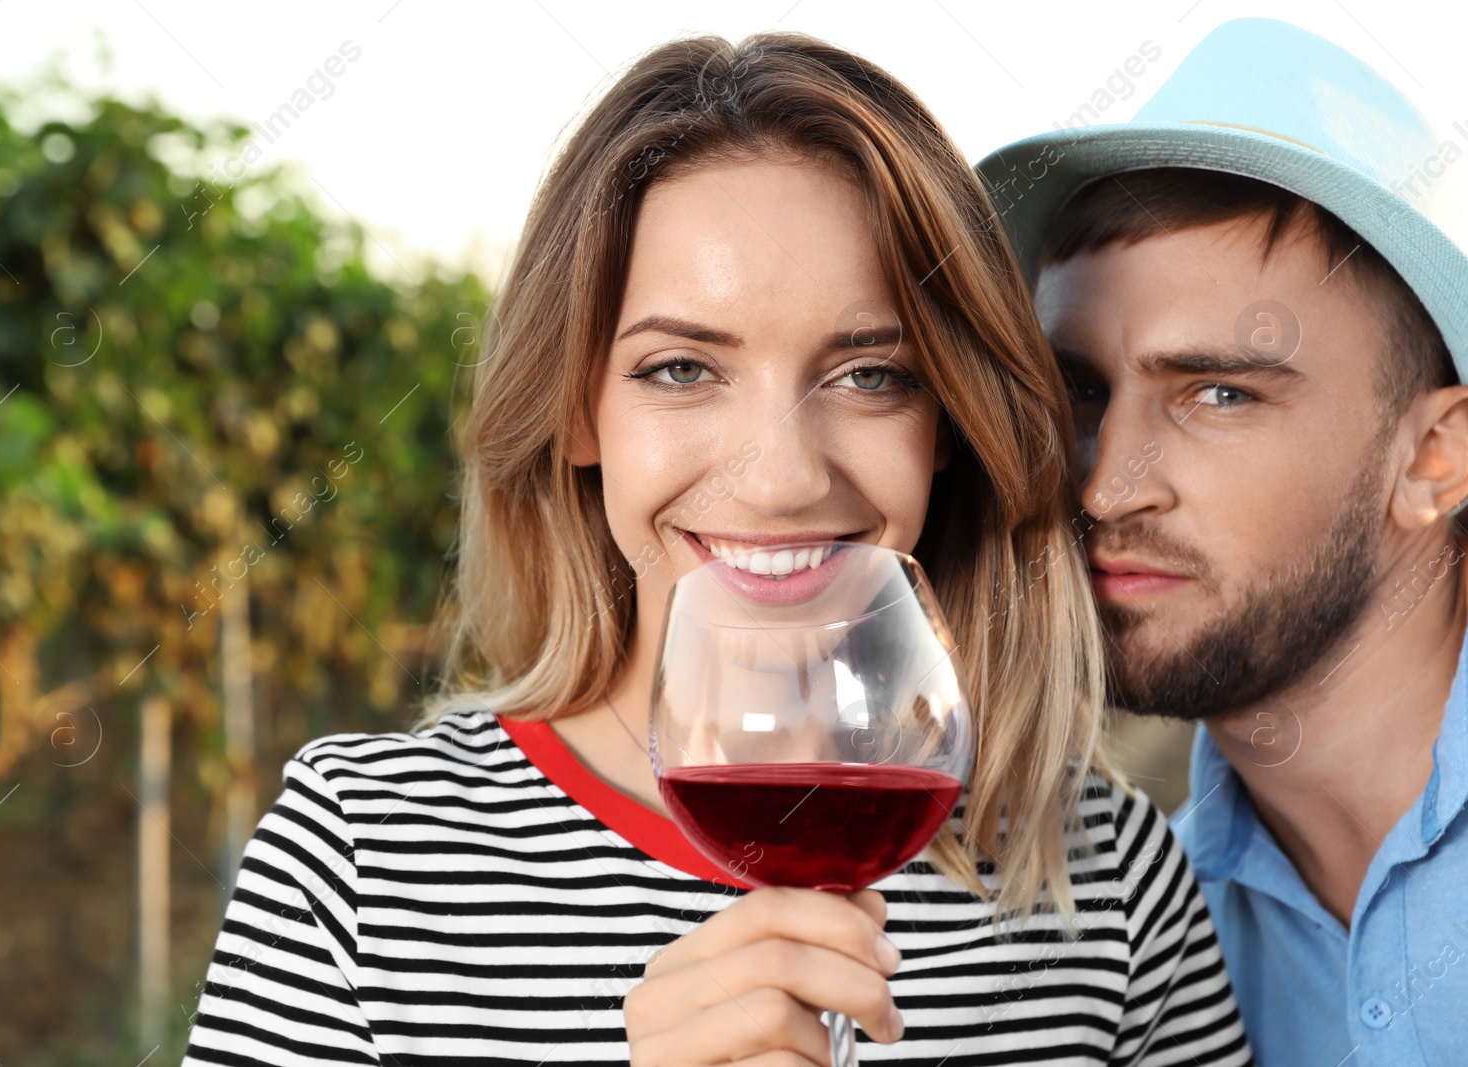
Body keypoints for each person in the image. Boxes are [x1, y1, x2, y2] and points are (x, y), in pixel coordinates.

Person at [180, 32, 1250, 1066]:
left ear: (948, 428)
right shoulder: (362, 859)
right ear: (577, 410)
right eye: (682, 368)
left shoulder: (1109, 880)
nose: (781, 479)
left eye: (871, 374)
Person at [976, 17, 1468, 1067]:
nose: (1105, 485)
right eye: (1081, 392)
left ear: (1434, 457)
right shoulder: (1131, 950)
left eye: (1217, 392)